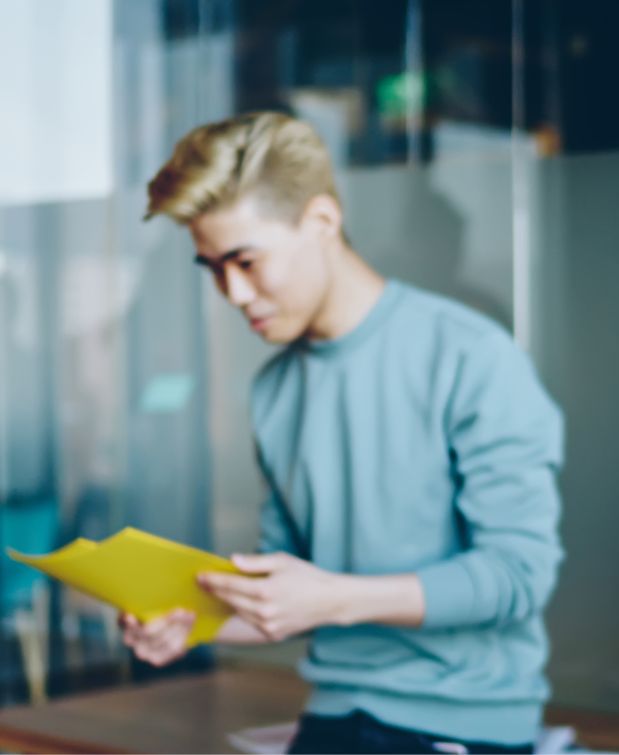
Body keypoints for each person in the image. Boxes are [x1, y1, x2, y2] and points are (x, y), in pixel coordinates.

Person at [124, 112, 564, 755]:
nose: (234, 292)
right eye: (213, 268)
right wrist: (192, 624)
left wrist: (330, 600)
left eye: (246, 260)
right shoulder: (275, 390)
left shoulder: (472, 358)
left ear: (323, 223)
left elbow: (518, 577)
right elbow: (290, 595)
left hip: (460, 725)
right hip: (334, 718)